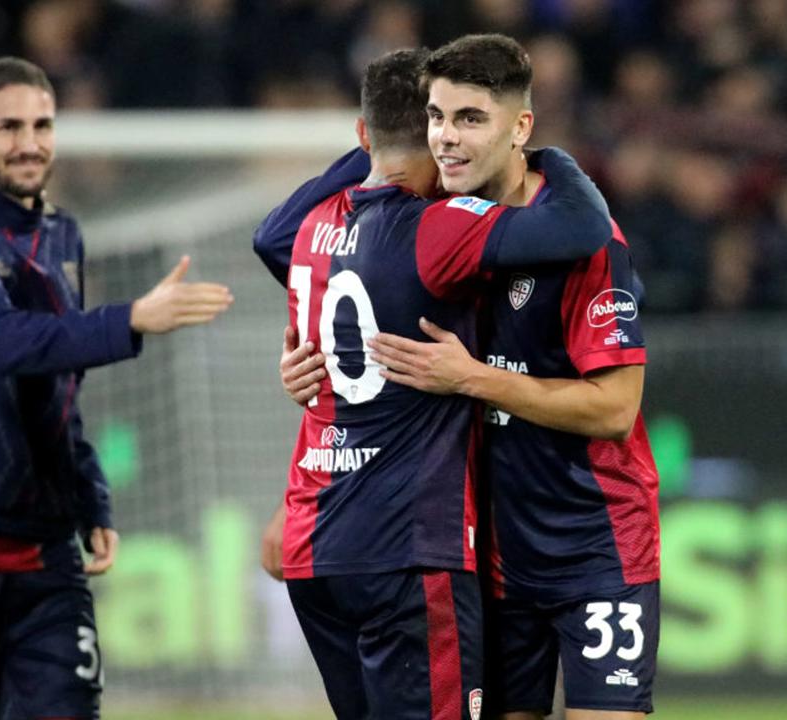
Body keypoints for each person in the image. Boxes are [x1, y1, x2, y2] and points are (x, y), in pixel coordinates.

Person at [283, 35, 662, 719]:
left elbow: (613, 410)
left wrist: (475, 378)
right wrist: (305, 364)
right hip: (486, 555)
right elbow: (309, 268)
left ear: (520, 128)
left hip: (594, 548)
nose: (447, 140)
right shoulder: (428, 234)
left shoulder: (587, 244)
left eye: (470, 119)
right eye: (436, 118)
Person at [0, 56, 232, 720]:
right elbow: (3, 343)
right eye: (9, 126)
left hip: (42, 553)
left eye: (43, 124)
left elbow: (54, 384)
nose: (30, 142)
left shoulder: (62, 233)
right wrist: (128, 319)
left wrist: (88, 493)